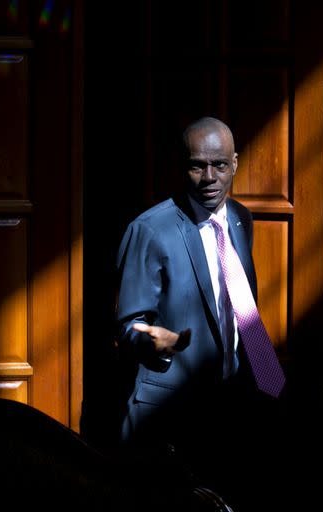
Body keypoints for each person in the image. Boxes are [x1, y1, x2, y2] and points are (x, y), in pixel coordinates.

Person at [113, 116, 287, 510]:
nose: (209, 177)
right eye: (197, 166)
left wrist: (267, 376)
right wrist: (154, 342)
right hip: (174, 414)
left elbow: (242, 306)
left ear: (235, 164)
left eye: (220, 165)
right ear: (182, 167)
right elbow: (128, 326)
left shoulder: (241, 219)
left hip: (235, 404)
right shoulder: (150, 230)